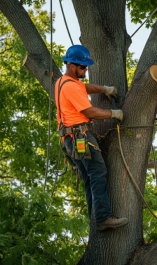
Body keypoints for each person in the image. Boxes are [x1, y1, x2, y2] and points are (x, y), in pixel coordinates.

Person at [55, 45, 128, 231]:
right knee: (97, 172)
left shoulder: (62, 82)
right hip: (81, 137)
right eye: (82, 67)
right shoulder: (71, 87)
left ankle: (95, 217)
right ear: (71, 66)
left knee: (89, 178)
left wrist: (104, 89)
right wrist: (113, 113)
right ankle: (103, 216)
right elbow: (89, 111)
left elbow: (84, 87)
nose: (85, 70)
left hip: (70, 139)